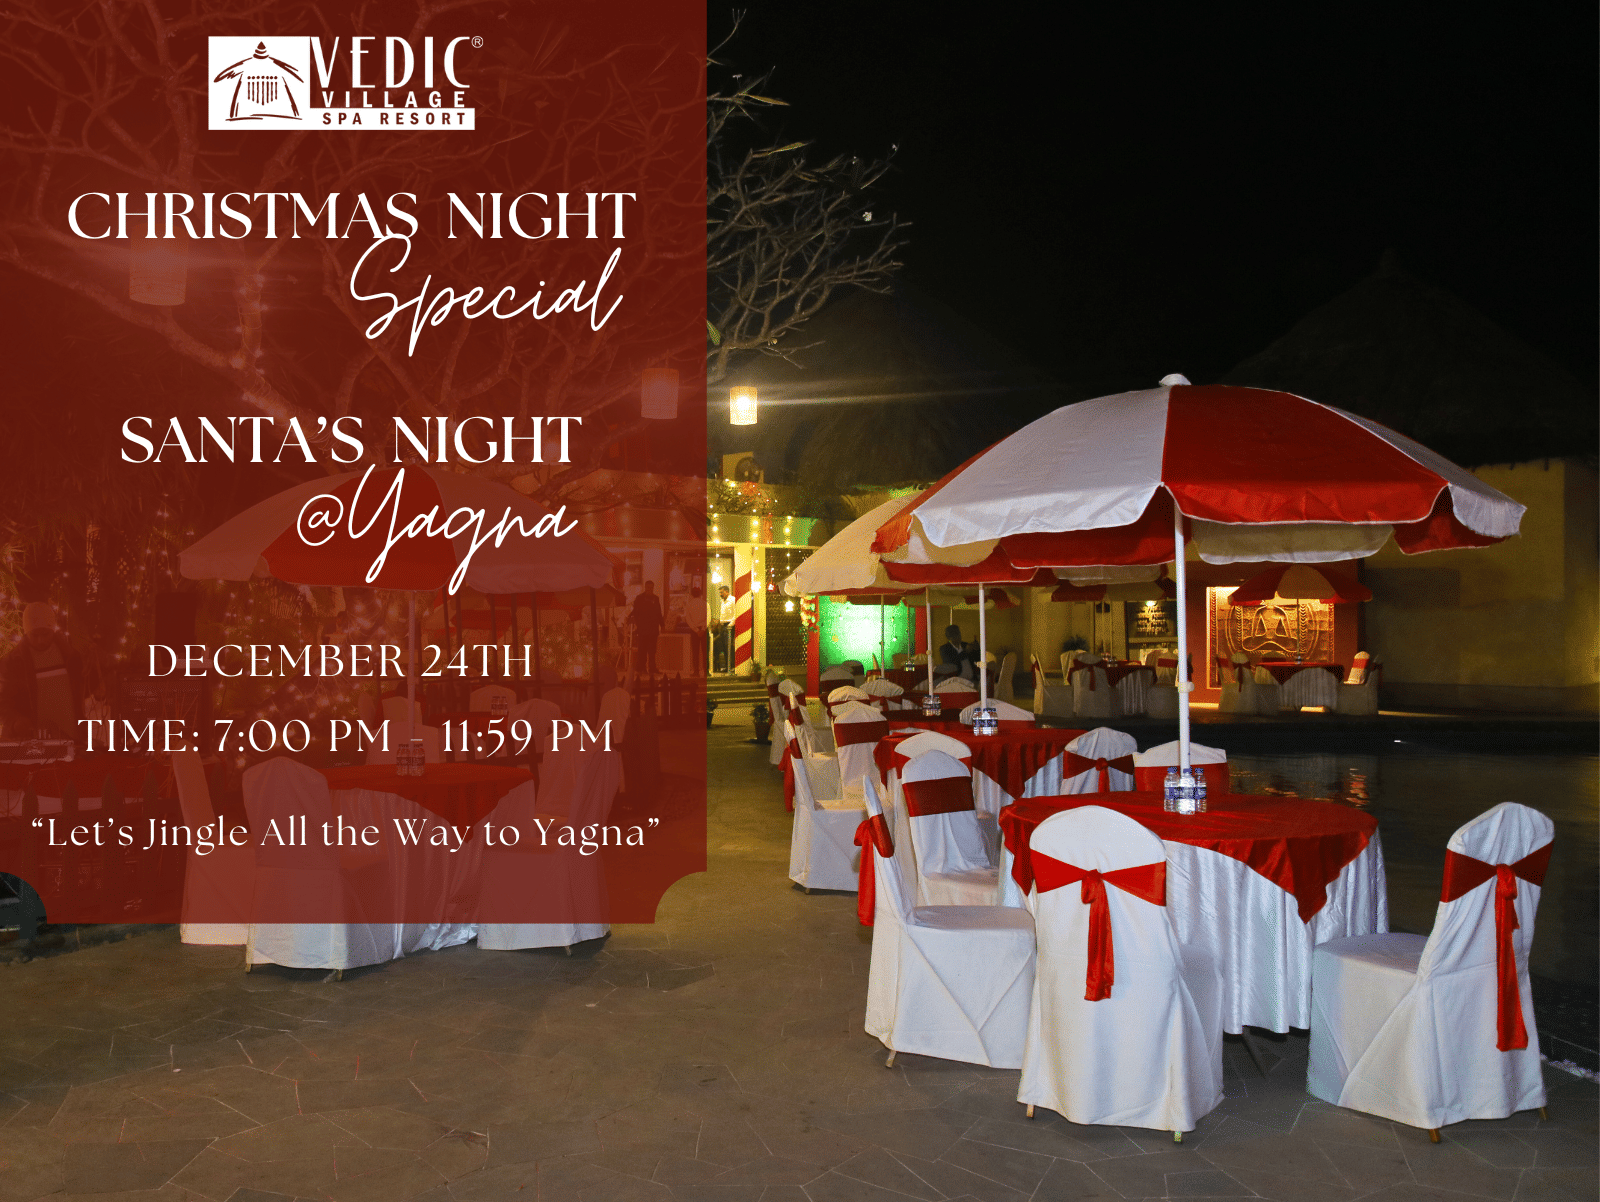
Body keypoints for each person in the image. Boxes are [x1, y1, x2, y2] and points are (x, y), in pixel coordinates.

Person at [1, 602, 84, 738]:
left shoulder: (69, 656)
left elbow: (83, 687)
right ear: (26, 632)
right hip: (31, 741)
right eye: (35, 635)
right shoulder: (12, 663)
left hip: (70, 737)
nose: (40, 640)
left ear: (53, 630)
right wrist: (15, 722)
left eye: (45, 634)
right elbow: (3, 702)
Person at [629, 580, 663, 678]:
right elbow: (635, 612)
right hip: (643, 629)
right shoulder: (639, 598)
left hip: (653, 629)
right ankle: (641, 668)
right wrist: (638, 624)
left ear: (653, 587)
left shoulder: (656, 599)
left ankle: (652, 668)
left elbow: (659, 613)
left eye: (651, 588)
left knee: (652, 651)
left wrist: (662, 625)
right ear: (645, 587)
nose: (650, 589)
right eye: (648, 587)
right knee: (642, 650)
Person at [710, 584, 734, 673]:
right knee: (724, 647)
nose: (720, 594)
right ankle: (727, 667)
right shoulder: (722, 601)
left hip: (729, 626)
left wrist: (730, 625)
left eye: (722, 592)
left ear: (727, 592)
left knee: (729, 647)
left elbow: (735, 614)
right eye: (720, 592)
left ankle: (731, 667)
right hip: (723, 626)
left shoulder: (732, 600)